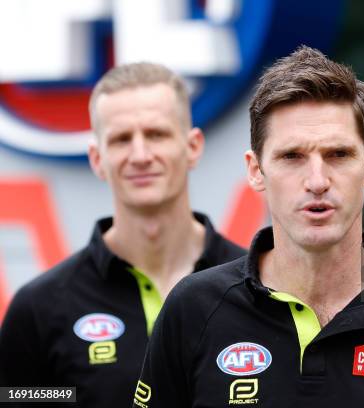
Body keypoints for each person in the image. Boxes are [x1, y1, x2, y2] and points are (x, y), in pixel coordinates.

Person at [133, 46, 364, 408]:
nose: (317, 180)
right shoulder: (194, 309)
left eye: (338, 155)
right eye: (292, 156)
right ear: (255, 170)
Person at [0, 62, 246, 407]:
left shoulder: (261, 287)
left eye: (157, 134)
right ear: (97, 158)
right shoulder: (39, 308)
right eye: (121, 139)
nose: (141, 155)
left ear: (192, 147)